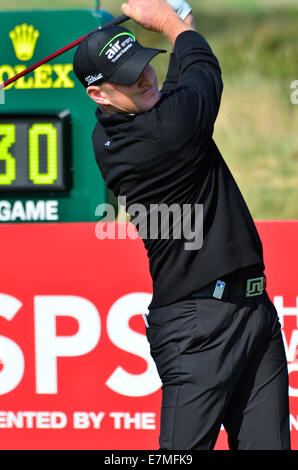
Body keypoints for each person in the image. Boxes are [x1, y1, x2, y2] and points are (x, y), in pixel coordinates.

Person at [73, 0, 291, 450]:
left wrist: (179, 22)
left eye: (144, 64)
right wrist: (171, 22)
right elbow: (202, 73)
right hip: (198, 327)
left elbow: (173, 89)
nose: (145, 76)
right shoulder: (159, 137)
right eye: (129, 77)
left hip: (253, 311)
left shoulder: (135, 122)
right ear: (99, 95)